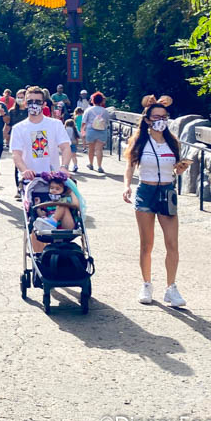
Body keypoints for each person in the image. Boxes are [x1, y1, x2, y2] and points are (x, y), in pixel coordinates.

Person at [122, 95, 190, 306]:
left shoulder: (172, 142)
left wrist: (180, 169)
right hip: (146, 191)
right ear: (148, 120)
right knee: (147, 243)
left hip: (167, 192)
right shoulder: (140, 141)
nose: (161, 121)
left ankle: (171, 288)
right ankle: (146, 284)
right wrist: (127, 186)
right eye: (156, 117)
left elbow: (174, 169)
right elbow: (130, 166)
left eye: (164, 117)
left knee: (172, 243)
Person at [10, 86, 72, 188]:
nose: (34, 104)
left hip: (53, 179)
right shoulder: (18, 128)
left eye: (38, 101)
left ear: (44, 104)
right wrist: (24, 170)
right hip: (30, 180)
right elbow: (16, 154)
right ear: (25, 104)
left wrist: (64, 167)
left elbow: (65, 147)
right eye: (30, 101)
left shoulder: (55, 124)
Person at [30, 173, 79, 252]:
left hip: (66, 226)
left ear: (64, 190)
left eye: (57, 189)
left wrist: (71, 191)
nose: (54, 190)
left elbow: (76, 205)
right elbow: (42, 215)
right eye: (51, 188)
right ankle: (51, 222)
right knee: (43, 217)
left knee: (62, 204)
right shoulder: (47, 203)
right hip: (49, 227)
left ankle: (53, 221)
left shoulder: (67, 199)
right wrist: (38, 206)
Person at [82, 91, 110, 173]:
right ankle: (99, 166)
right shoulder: (105, 111)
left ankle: (91, 164)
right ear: (101, 101)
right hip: (102, 131)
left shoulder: (88, 110)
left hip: (91, 131)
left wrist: (82, 131)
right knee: (99, 149)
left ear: (93, 100)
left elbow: (84, 121)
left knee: (91, 148)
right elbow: (107, 122)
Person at [7, 89, 28, 199]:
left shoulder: (30, 111)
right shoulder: (12, 111)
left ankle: (29, 187)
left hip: (29, 141)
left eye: (22, 97)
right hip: (17, 141)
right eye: (18, 97)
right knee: (18, 165)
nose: (20, 99)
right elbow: (8, 126)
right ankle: (19, 188)